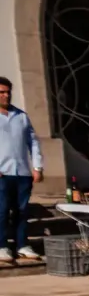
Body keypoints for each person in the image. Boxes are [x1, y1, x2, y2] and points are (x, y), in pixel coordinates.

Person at [0, 75, 44, 263]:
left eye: (8, 92)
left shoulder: (21, 116)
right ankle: (2, 246)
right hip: (2, 172)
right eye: (1, 92)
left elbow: (33, 142)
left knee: (22, 211)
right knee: (2, 210)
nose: (6, 95)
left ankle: (22, 245)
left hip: (22, 172)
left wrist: (37, 166)